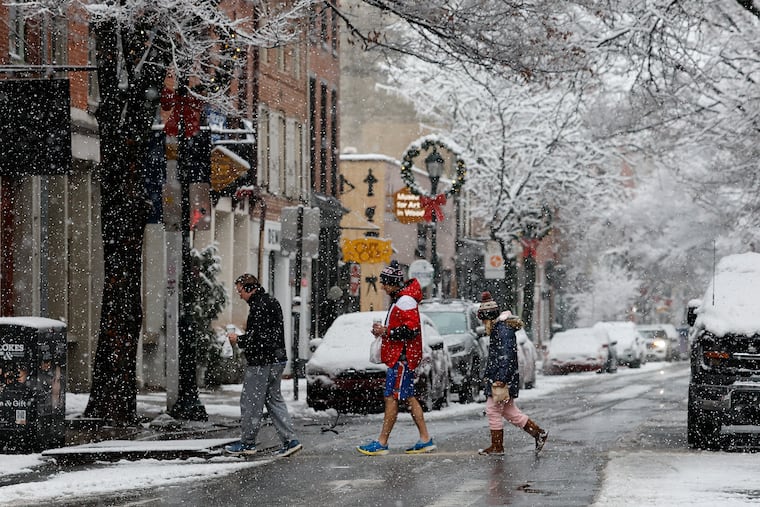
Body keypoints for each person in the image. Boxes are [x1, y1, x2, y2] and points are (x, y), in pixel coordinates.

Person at [357, 260, 436, 456]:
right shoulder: (402, 299)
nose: (382, 287)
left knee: (392, 398)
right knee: (406, 398)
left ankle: (383, 442)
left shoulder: (405, 301)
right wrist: (385, 332)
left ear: (392, 283)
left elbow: (411, 330)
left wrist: (387, 331)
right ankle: (425, 439)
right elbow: (408, 329)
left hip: (402, 358)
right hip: (402, 357)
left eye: (384, 283)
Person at [224, 273, 302, 457]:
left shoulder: (259, 307)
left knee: (251, 401)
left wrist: (239, 340)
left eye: (241, 291)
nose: (240, 295)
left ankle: (248, 443)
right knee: (273, 399)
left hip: (261, 362)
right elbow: (268, 335)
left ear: (250, 289)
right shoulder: (270, 302)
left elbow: (259, 338)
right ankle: (290, 440)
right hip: (277, 359)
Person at [477, 291, 548, 456]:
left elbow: (506, 356)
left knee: (492, 409)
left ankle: (497, 446)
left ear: (489, 317)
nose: (483, 324)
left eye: (484, 320)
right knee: (509, 411)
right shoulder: (500, 328)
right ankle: (538, 433)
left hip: (502, 378)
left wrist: (500, 379)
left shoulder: (502, 331)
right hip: (504, 376)